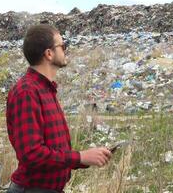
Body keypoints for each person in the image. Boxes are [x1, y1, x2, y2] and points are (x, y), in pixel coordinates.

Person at [6, 24, 112, 193]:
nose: (65, 51)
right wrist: (81, 156)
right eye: (63, 46)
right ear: (49, 53)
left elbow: (55, 151)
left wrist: (86, 158)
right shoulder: (27, 92)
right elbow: (32, 154)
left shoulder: (46, 89)